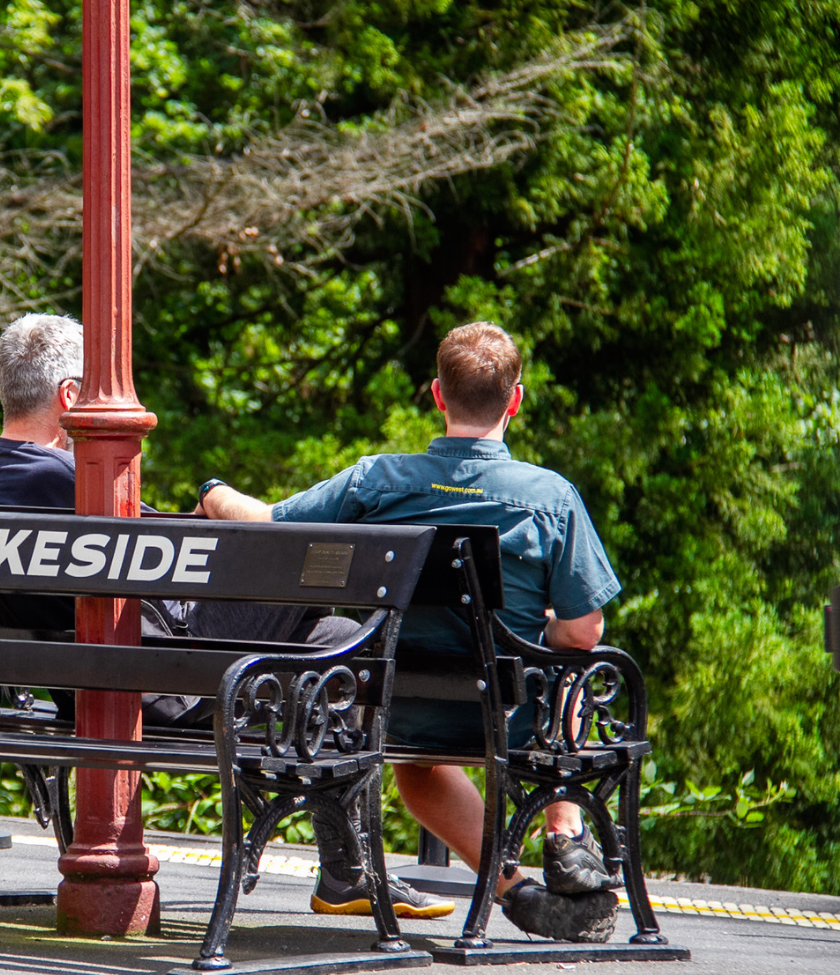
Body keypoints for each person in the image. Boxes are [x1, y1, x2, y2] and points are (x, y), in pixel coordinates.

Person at [0, 312, 455, 920]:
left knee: (336, 641)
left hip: (98, 676)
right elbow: (177, 547)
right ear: (72, 397)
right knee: (315, 567)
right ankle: (346, 870)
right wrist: (217, 498)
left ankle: (347, 873)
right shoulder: (73, 478)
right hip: (159, 682)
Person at [197, 321, 623, 942]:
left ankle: (514, 888)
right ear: (516, 399)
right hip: (510, 715)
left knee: (418, 771)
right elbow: (585, 632)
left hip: (394, 710)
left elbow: (268, 523)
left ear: (437, 394)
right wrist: (546, 632)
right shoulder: (550, 496)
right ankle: (563, 829)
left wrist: (215, 494)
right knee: (578, 675)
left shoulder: (377, 481)